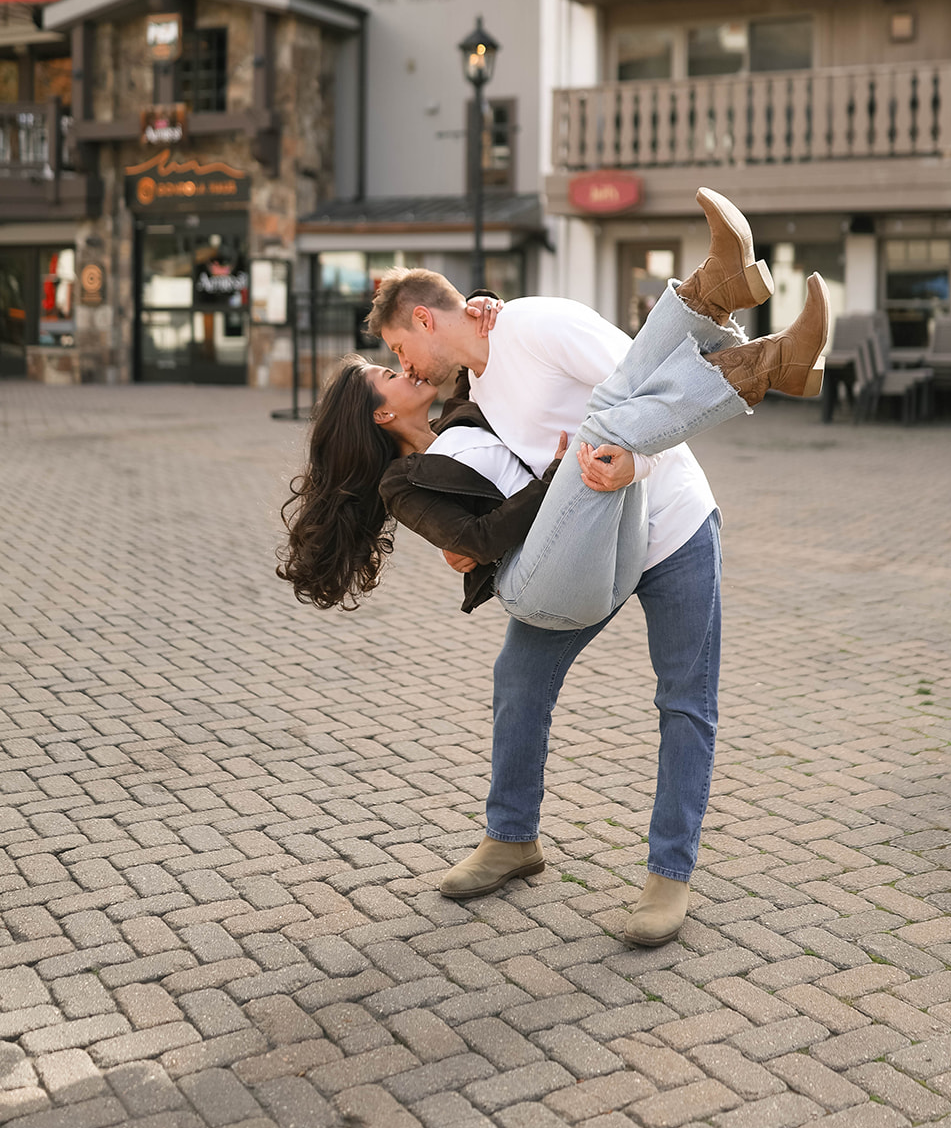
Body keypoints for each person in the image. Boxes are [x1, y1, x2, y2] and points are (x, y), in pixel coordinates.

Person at [281, 190, 828, 944]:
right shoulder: (469, 392)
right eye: (393, 370)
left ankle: (668, 879)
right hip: (581, 545)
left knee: (684, 700)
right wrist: (465, 538)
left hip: (668, 522)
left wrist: (629, 465)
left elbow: (647, 383)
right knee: (520, 675)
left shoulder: (536, 323)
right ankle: (512, 838)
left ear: (425, 322)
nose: (404, 368)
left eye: (401, 352)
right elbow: (465, 480)